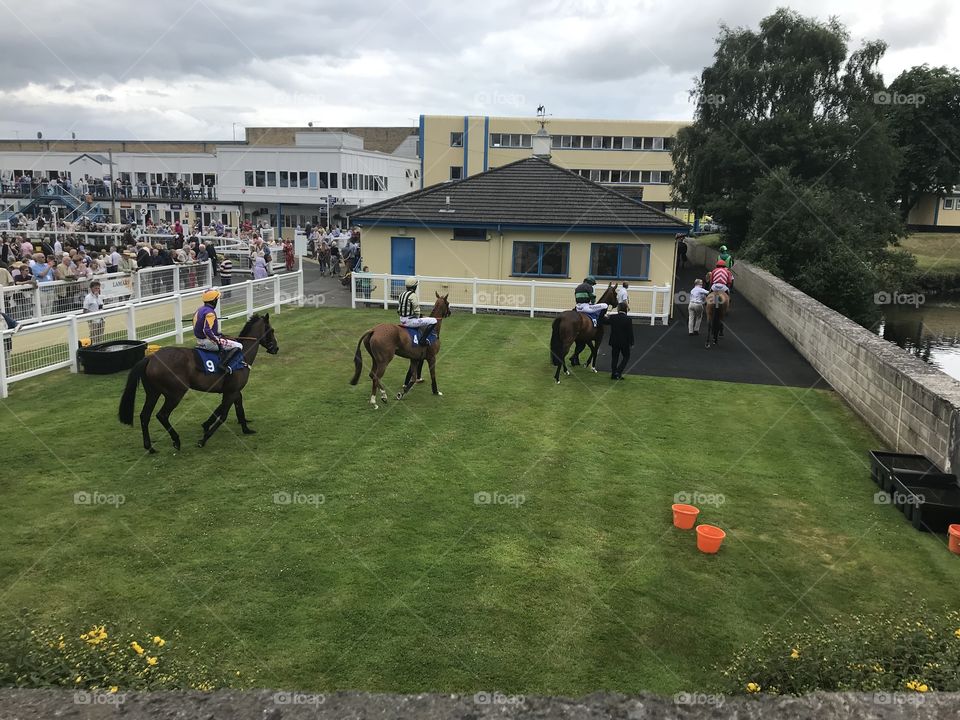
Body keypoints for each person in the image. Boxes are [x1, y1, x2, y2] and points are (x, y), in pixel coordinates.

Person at [192, 289, 243, 373]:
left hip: (199, 340)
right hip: (208, 342)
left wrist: (218, 334)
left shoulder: (199, 310)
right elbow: (207, 330)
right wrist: (217, 340)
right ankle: (224, 365)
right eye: (217, 300)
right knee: (239, 346)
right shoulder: (210, 313)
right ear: (214, 301)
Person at [397, 277, 438, 346]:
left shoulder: (401, 295)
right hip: (410, 321)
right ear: (414, 286)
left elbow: (399, 309)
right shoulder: (413, 295)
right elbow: (416, 309)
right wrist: (418, 316)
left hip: (402, 320)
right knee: (434, 320)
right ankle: (423, 340)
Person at [600, 302, 634, 379]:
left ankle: (613, 373)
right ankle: (618, 372)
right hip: (624, 342)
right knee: (626, 356)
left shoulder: (613, 317)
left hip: (614, 341)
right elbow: (630, 332)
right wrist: (632, 342)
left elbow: (603, 321)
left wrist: (604, 313)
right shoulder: (628, 319)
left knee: (615, 357)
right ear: (625, 309)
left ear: (618, 309)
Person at [83, 280, 105, 345]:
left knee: (100, 336)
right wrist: (93, 314)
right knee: (93, 336)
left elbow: (101, 307)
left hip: (101, 319)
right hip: (93, 320)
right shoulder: (88, 297)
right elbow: (85, 310)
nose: (97, 289)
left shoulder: (100, 296)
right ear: (91, 288)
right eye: (95, 288)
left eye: (98, 288)